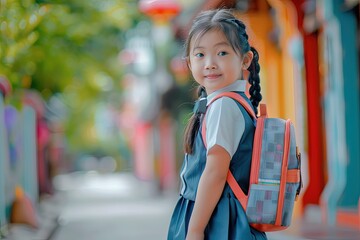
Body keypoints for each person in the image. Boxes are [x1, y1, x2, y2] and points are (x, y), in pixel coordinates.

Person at [167, 9, 267, 240]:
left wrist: (194, 229)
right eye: (200, 55)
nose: (210, 64)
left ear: (245, 59)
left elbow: (215, 172)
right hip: (218, 215)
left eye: (222, 52)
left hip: (219, 220)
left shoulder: (224, 107)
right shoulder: (225, 103)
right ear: (189, 63)